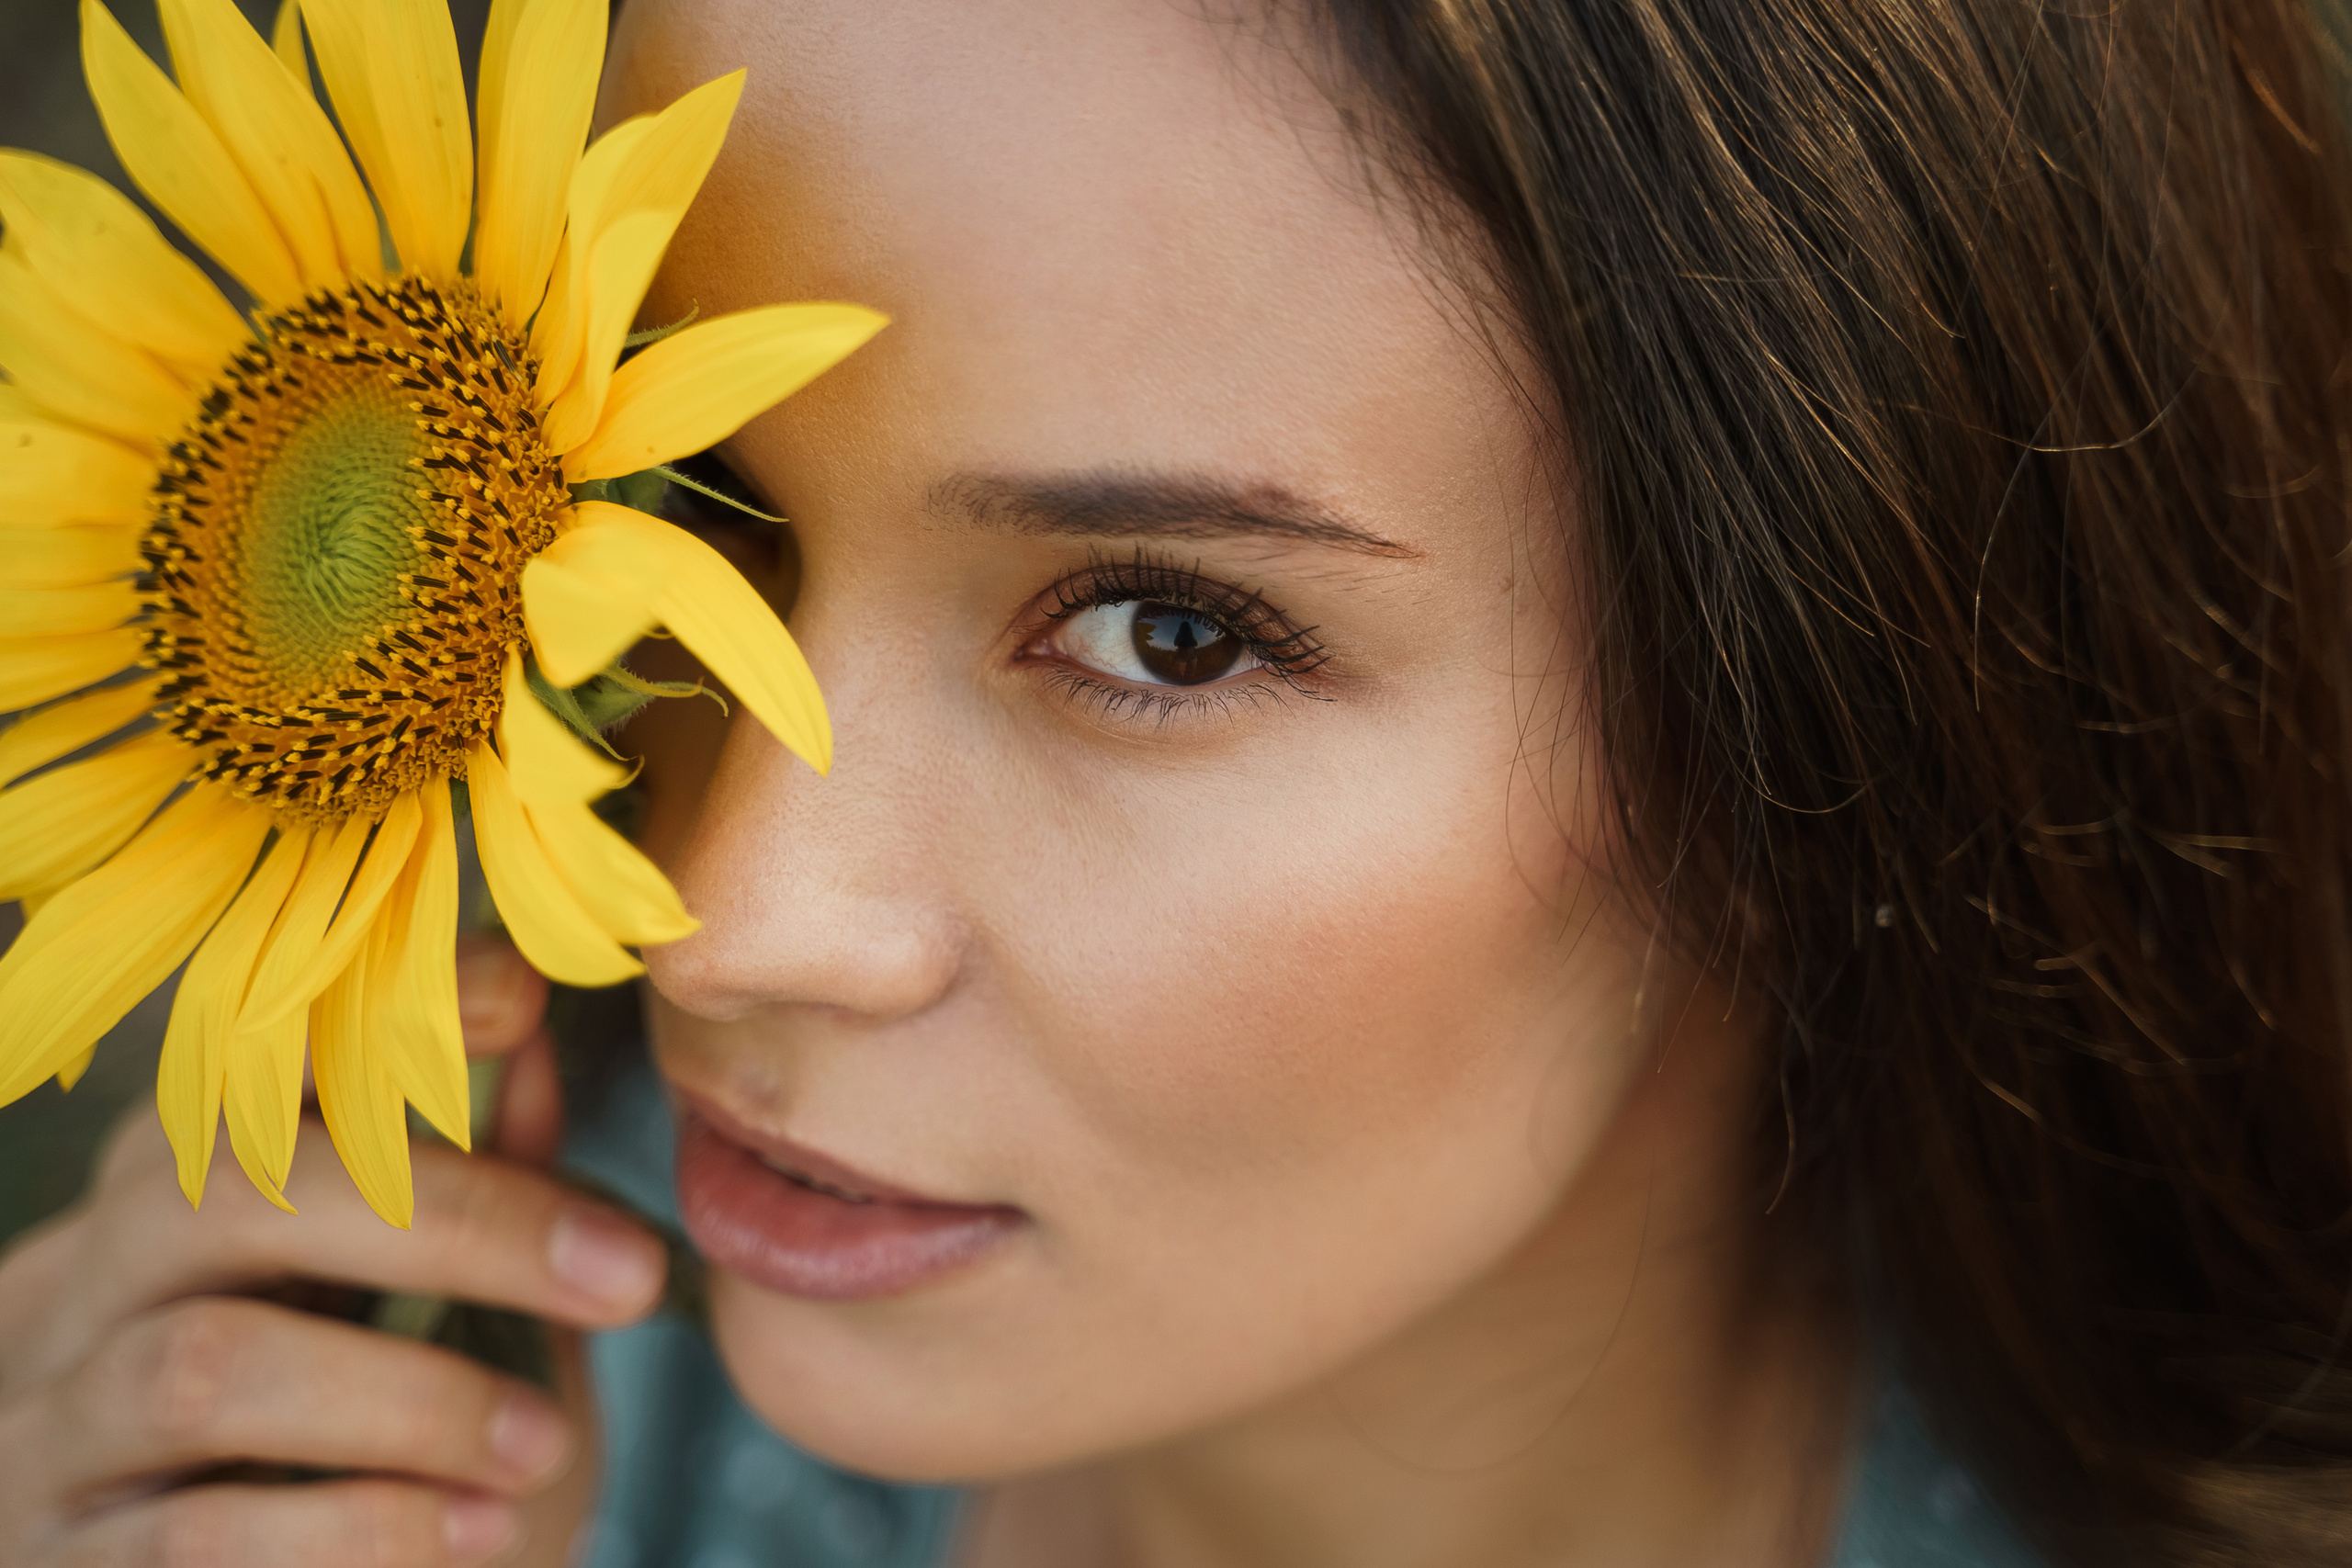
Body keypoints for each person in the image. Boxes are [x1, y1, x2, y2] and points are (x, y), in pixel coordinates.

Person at [6, 0, 2351, 1563]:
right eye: (678, 521)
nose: (715, 915)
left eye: (1168, 628)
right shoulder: (376, 1455)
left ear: (1838, 690)